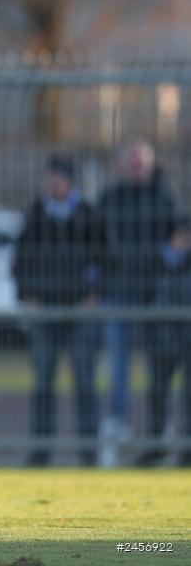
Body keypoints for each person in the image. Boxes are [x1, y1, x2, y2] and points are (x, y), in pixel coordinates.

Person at [12, 155, 105, 466]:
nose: (51, 184)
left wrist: (95, 295)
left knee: (85, 381)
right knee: (43, 383)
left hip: (80, 311)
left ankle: (89, 450)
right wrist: (28, 296)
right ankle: (40, 451)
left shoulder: (89, 215)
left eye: (57, 179)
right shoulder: (35, 215)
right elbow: (20, 262)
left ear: (69, 181)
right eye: (48, 178)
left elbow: (108, 260)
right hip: (45, 313)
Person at [98, 141, 178, 466]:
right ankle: (119, 424)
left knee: (160, 367)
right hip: (118, 292)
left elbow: (176, 243)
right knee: (118, 364)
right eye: (131, 162)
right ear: (122, 166)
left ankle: (160, 428)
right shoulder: (111, 198)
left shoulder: (164, 198)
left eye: (140, 163)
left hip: (154, 296)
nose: (136, 168)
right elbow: (98, 242)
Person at [139, 216, 191, 467]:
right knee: (157, 391)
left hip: (187, 337)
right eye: (182, 235)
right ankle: (155, 445)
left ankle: (187, 448)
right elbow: (145, 296)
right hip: (161, 336)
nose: (185, 241)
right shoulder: (156, 261)